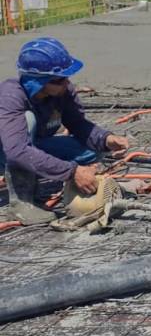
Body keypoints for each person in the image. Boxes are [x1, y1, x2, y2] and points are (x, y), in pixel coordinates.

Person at [0, 38, 129, 224]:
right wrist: (71, 172)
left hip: (32, 145)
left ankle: (47, 171)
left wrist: (106, 139)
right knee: (28, 121)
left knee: (93, 149)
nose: (66, 82)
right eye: (60, 79)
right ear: (37, 81)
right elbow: (17, 151)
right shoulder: (11, 96)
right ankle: (22, 203)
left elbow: (77, 124)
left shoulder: (63, 91)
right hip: (8, 151)